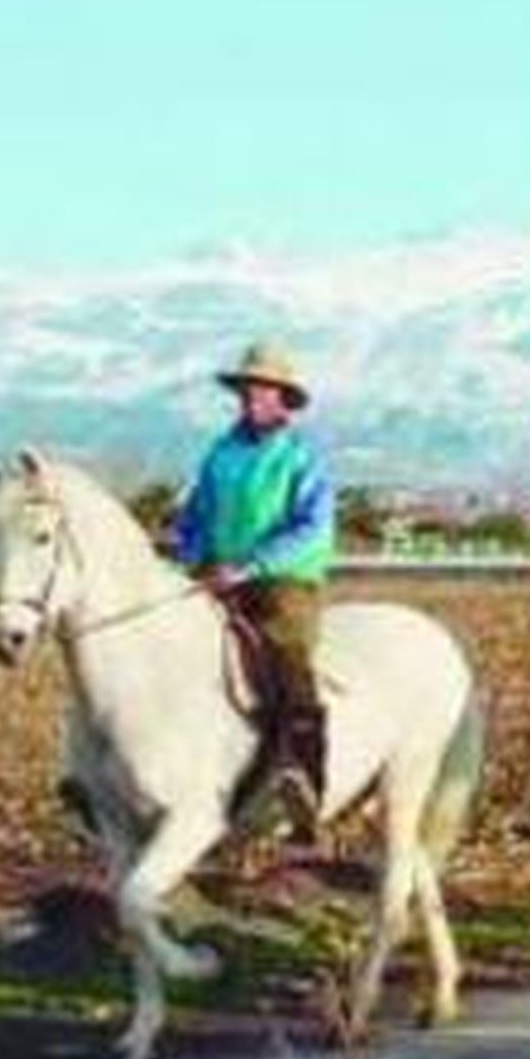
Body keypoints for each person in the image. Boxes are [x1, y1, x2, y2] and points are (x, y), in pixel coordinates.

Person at [176, 342, 336, 843]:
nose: (250, 396)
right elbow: (194, 515)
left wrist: (250, 566)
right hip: (218, 573)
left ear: (284, 398)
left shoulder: (301, 456)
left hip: (281, 578)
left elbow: (312, 525)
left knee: (286, 650)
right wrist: (196, 558)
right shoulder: (220, 452)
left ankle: (302, 773)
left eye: (262, 389)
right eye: (246, 388)